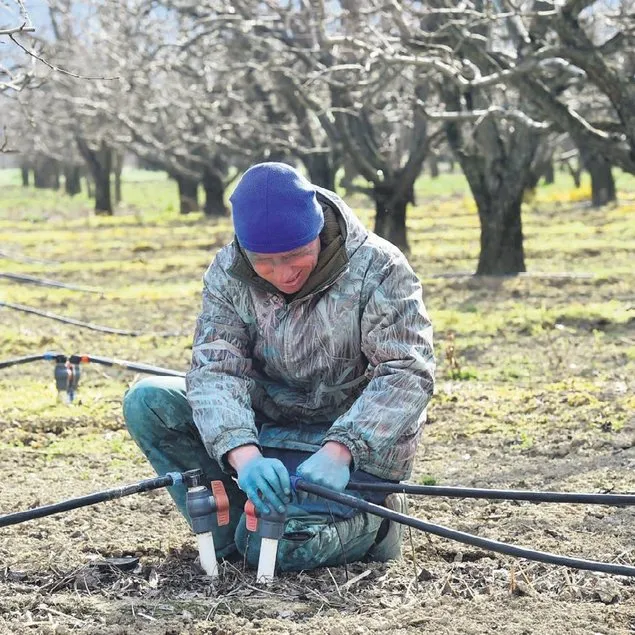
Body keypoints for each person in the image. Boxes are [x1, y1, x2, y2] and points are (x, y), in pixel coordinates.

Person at [123, 162, 435, 572]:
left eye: (295, 255)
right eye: (264, 262)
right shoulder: (227, 272)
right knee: (149, 401)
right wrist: (243, 453)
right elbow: (217, 369)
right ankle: (233, 529)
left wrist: (343, 450)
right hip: (266, 433)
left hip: (350, 457)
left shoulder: (380, 268)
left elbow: (407, 371)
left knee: (274, 548)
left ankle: (377, 523)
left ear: (318, 231)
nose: (283, 273)